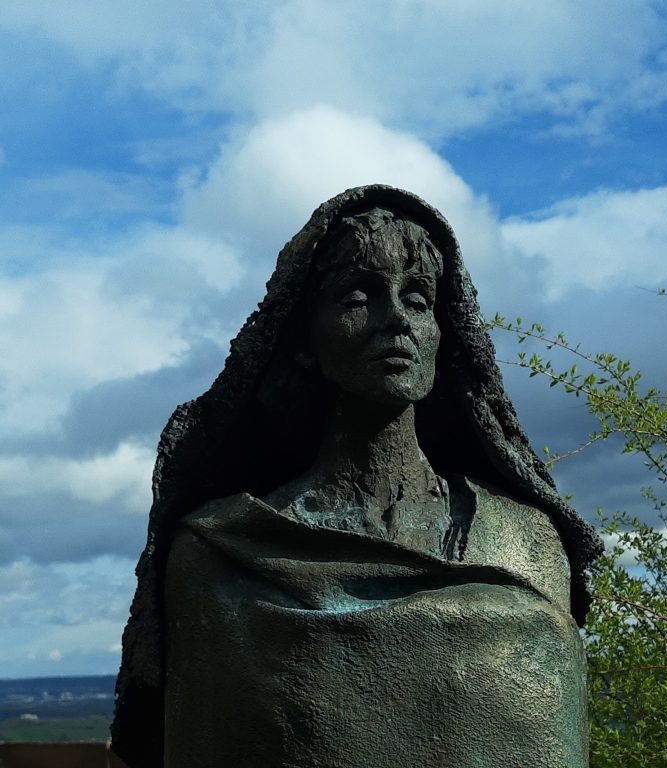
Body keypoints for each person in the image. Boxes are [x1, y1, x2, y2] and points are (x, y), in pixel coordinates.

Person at [111, 185, 601, 768]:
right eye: (356, 297)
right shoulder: (219, 554)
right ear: (303, 344)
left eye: (419, 299)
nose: (396, 318)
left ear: (443, 336)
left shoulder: (530, 544)